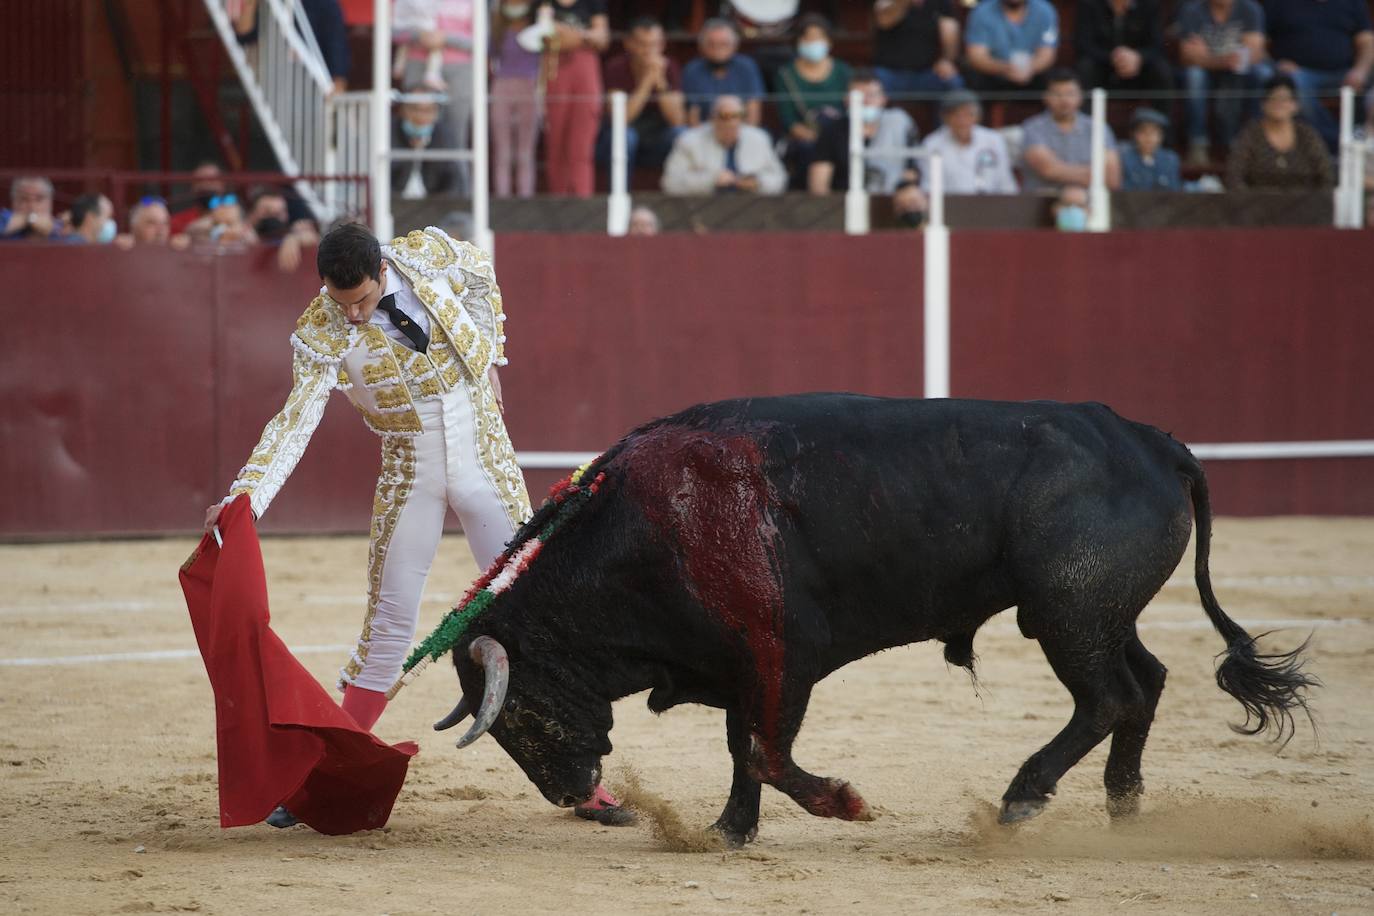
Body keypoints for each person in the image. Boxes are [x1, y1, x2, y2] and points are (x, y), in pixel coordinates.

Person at [202, 223, 632, 828]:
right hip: (411, 470)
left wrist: (487, 356)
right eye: (339, 301)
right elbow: (295, 421)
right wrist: (246, 494)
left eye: (361, 301)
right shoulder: (320, 329)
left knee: (537, 616)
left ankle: (582, 782)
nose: (351, 316)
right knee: (387, 627)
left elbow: (481, 273)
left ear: (381, 268)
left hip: (484, 454)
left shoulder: (427, 255)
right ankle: (325, 774)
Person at [1263, 0, 1374, 149]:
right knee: (1292, 84)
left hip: (1344, 73)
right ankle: (1336, 141)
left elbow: (1367, 42)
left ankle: (1362, 139)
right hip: (1299, 74)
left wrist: (1360, 70)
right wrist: (1276, 63)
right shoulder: (1279, 3)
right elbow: (1259, 44)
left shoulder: (1352, 3)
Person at [392, 0, 475, 194]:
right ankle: (405, 191)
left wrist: (445, 38)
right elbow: (393, 29)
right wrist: (419, 35)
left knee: (456, 137)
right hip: (418, 65)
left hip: (459, 70)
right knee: (413, 134)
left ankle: (461, 197)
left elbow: (480, 40)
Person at [1176, 0, 1269, 164]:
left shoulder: (1250, 9)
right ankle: (1198, 142)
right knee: (1194, 76)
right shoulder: (1192, 10)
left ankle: (1258, 140)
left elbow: (1255, 54)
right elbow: (1187, 57)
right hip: (1207, 73)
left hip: (1237, 72)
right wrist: (1224, 60)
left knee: (1263, 73)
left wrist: (1209, 57)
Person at [538, 0, 610, 196]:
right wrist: (586, 36)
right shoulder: (544, 3)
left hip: (585, 74)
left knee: (582, 145)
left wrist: (570, 35)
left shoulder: (593, 4)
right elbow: (541, 37)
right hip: (554, 72)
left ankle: (582, 198)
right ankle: (558, 199)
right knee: (555, 142)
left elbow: (602, 39)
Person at [597, 17, 687, 172]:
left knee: (680, 134)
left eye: (654, 44)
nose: (648, 51)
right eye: (642, 44)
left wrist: (660, 82)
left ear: (663, 45)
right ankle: (622, 194)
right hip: (623, 135)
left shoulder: (670, 66)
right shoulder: (615, 67)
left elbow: (677, 120)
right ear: (628, 43)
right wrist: (647, 81)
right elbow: (621, 119)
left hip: (656, 136)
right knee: (625, 137)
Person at [807, 71, 920, 194]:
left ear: (884, 99)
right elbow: (818, 185)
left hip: (891, 201)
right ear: (846, 100)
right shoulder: (832, 131)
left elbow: (912, 173)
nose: (866, 101)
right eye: (859, 96)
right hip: (844, 202)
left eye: (872, 95)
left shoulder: (899, 123)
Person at [774, 14, 853, 188]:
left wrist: (831, 139)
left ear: (829, 41)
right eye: (808, 38)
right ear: (798, 41)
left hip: (839, 136)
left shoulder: (843, 71)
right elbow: (788, 119)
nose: (813, 42)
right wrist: (818, 138)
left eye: (818, 37)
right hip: (805, 139)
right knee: (810, 152)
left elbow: (849, 109)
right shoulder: (786, 75)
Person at [1020, 68, 1122, 192]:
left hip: (1089, 203)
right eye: (1057, 94)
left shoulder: (1099, 128)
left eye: (1070, 93)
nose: (1064, 100)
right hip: (1041, 204)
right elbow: (1048, 170)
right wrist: (1095, 173)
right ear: (1046, 97)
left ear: (1080, 96)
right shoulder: (1032, 127)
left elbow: (1112, 178)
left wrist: (1061, 170)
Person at [661, 94, 787, 194]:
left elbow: (780, 179)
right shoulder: (689, 140)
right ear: (712, 118)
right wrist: (711, 180)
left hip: (752, 208)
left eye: (737, 116)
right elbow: (670, 183)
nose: (731, 122)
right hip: (701, 208)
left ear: (743, 119)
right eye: (724, 116)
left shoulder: (759, 139)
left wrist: (758, 183)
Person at [1226, 74, 1335, 189]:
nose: (1279, 104)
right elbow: (1234, 176)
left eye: (1285, 99)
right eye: (1273, 98)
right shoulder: (1250, 135)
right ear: (1263, 104)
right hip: (1258, 204)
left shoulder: (1307, 134)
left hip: (1305, 204)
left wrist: (1316, 203)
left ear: (1295, 105)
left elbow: (1326, 175)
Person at [919, 88, 1019, 193]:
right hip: (949, 206)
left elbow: (1006, 182)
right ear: (945, 118)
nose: (962, 121)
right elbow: (928, 186)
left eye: (968, 114)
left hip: (991, 205)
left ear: (978, 117)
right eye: (956, 115)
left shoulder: (993, 140)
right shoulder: (932, 144)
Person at [490, 2, 542, 198]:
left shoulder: (538, 26)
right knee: (502, 150)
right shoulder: (497, 27)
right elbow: (489, 53)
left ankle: (525, 199)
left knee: (525, 152)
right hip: (502, 85)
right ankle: (502, 198)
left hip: (530, 86)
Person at [1073, 0, 1172, 96]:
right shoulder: (1089, 3)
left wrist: (1138, 56)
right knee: (1085, 67)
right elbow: (1084, 43)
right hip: (1103, 65)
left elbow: (1157, 44)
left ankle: (1159, 113)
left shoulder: (1149, 3)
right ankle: (1085, 112)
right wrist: (1114, 57)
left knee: (1161, 70)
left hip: (1139, 67)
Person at [871, 0, 964, 101]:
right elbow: (884, 21)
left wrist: (947, 59)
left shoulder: (940, 3)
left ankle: (945, 117)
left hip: (926, 73)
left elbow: (950, 28)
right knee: (871, 88)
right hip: (889, 72)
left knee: (953, 82)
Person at [681, 18, 766, 126]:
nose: (717, 50)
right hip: (706, 130)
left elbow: (753, 110)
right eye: (711, 44)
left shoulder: (747, 67)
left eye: (723, 44)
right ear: (702, 46)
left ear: (734, 45)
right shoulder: (693, 69)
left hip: (740, 129)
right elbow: (693, 114)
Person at [963, 0, 1060, 95]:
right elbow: (977, 56)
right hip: (994, 72)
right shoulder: (982, 11)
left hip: (1032, 72)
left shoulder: (1045, 10)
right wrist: (1004, 68)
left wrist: (1029, 69)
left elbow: (1047, 54)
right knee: (974, 77)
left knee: (1053, 81)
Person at [391, 89, 461, 198]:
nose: (421, 116)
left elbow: (452, 178)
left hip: (433, 206)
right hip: (395, 203)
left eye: (428, 110)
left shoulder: (443, 135)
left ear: (436, 113)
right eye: (415, 109)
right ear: (403, 110)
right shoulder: (389, 132)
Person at [1120, 107, 1182, 190]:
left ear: (1161, 136)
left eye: (1154, 132)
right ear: (1134, 134)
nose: (1148, 138)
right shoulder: (1124, 158)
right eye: (1143, 132)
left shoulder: (1170, 159)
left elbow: (1175, 190)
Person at [170, 162, 228, 235]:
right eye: (200, 181)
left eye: (211, 180)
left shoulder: (235, 220)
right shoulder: (177, 222)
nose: (206, 185)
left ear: (222, 185)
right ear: (193, 186)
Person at [1, 176, 64, 242]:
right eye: (24, 199)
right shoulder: (4, 219)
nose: (32, 206)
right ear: (14, 202)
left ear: (50, 202)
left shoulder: (62, 227)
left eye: (39, 199)